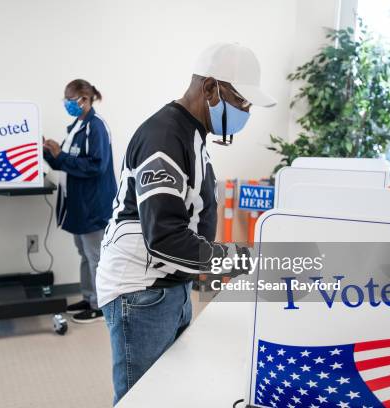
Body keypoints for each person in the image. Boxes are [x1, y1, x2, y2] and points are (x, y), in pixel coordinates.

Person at [96, 43, 276, 403]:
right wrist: (237, 258)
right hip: (141, 290)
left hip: (169, 283)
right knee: (143, 398)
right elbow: (163, 237)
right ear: (210, 88)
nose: (245, 112)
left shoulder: (192, 133)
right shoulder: (165, 137)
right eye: (241, 102)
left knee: (171, 389)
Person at [43, 79, 117, 323]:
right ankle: (88, 297)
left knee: (95, 257)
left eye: (70, 100)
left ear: (85, 100)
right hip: (78, 205)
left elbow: (97, 165)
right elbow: (65, 162)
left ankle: (100, 306)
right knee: (84, 255)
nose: (67, 104)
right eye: (65, 100)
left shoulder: (96, 127)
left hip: (94, 205)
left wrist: (61, 156)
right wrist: (48, 152)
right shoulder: (76, 127)